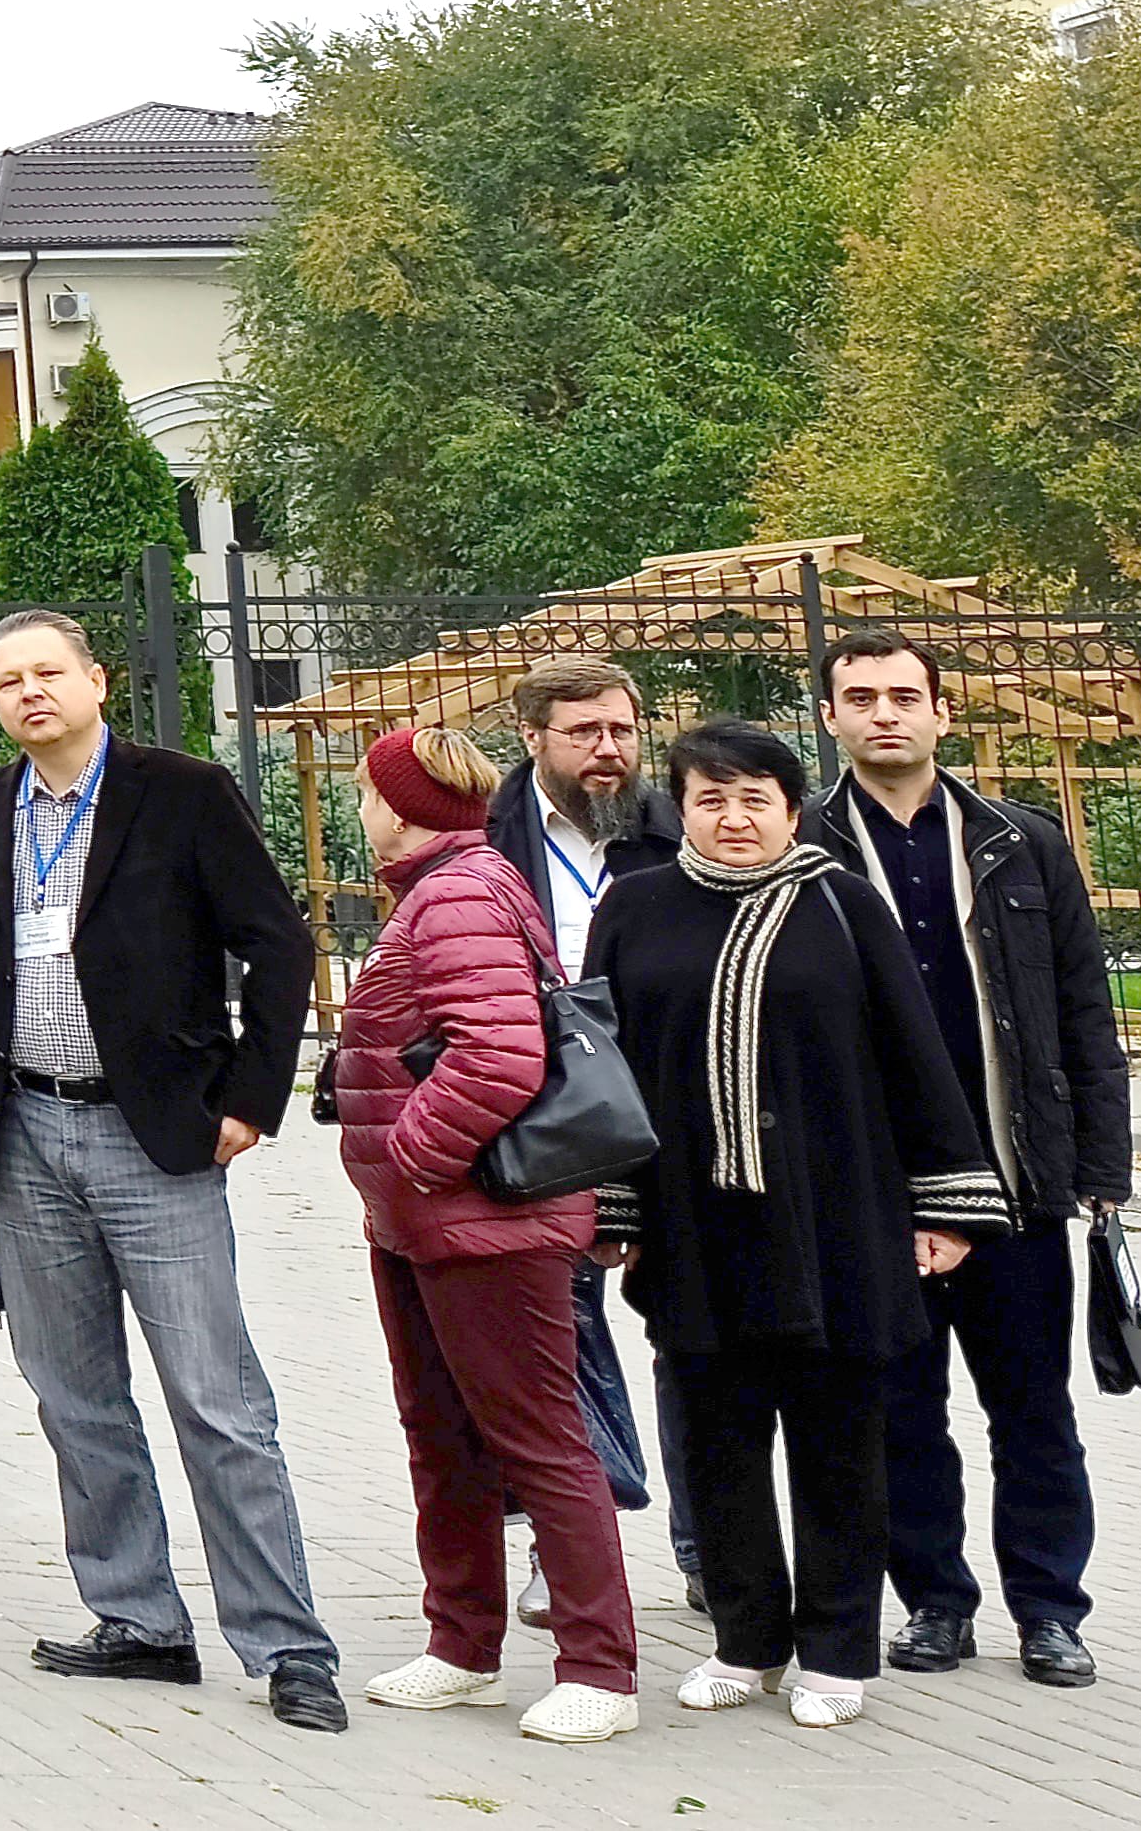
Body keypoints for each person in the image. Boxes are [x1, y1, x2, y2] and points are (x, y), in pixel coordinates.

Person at [0, 607, 340, 1730]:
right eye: (7, 681)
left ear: (95, 679)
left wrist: (250, 1096)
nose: (28, 693)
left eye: (47, 672)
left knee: (216, 1398)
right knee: (73, 1396)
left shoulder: (180, 791)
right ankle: (138, 1617)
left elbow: (277, 941)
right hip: (24, 1140)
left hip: (156, 1138)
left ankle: (287, 1644)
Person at [593, 718, 1010, 1728]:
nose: (732, 818)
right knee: (716, 1441)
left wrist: (946, 1203)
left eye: (754, 800)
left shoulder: (841, 903)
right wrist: (610, 1205)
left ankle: (834, 1646)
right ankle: (745, 1640)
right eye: (709, 798)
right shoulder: (635, 905)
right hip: (691, 1217)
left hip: (836, 1216)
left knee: (836, 1441)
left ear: (788, 808)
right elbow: (596, 1060)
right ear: (679, 806)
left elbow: (915, 1055)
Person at [812, 631, 1126, 1690]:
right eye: (860, 697)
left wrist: (1100, 1164)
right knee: (898, 1410)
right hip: (879, 1194)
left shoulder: (1018, 841)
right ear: (829, 719)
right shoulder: (806, 847)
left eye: (904, 695)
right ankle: (933, 1603)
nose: (883, 713)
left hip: (1012, 1180)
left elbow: (1081, 1008)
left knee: (1031, 1408)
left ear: (942, 713)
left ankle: (1047, 1609)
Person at [334, 724, 636, 1744]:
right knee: (443, 1436)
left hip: (483, 1221)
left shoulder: (456, 892)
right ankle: (460, 1645)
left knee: (536, 1438)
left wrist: (416, 1158)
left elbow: (498, 1056)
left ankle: (598, 1665)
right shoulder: (444, 884)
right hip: (423, 1222)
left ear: (398, 801)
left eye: (366, 790)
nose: (356, 806)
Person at [483, 654, 686, 1606]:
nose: (608, 751)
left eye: (621, 730)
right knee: (552, 1328)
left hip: (676, 1102)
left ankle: (706, 1549)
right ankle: (561, 1538)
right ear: (531, 738)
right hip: (546, 1105)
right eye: (583, 732)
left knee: (694, 1333)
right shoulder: (487, 837)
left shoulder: (675, 827)